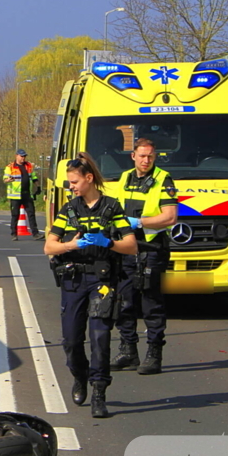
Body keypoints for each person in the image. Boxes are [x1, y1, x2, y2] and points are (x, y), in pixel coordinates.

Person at [44, 152, 137, 418]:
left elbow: (131, 246)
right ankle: (79, 375)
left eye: (74, 181)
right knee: (72, 340)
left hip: (102, 280)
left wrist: (107, 242)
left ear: (89, 178)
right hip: (73, 280)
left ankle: (99, 391)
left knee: (100, 337)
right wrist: (71, 245)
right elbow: (49, 246)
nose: (70, 187)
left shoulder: (111, 208)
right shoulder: (69, 209)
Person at [110, 138, 178, 375]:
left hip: (151, 248)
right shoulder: (125, 177)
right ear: (133, 156)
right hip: (127, 247)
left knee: (151, 303)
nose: (146, 160)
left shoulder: (163, 179)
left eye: (150, 156)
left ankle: (154, 354)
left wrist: (139, 222)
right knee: (124, 300)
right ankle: (128, 350)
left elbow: (170, 217)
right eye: (142, 156)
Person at [3, 149, 42, 240]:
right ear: (16, 156)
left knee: (31, 214)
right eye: (21, 156)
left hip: (27, 194)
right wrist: (8, 180)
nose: (23, 158)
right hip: (15, 195)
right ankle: (14, 234)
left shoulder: (28, 166)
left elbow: (34, 177)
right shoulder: (10, 167)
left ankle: (35, 234)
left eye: (24, 156)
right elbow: (5, 179)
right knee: (15, 215)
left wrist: (38, 187)